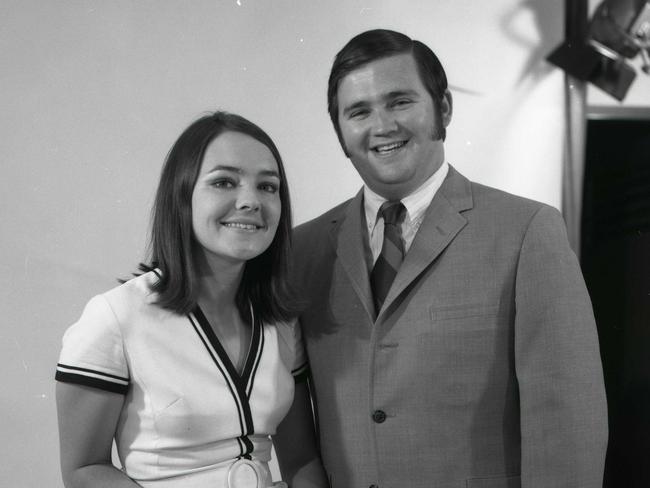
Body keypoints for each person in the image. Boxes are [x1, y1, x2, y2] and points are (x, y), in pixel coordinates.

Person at [288, 29, 608, 487]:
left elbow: (567, 424)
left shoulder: (527, 231)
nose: (382, 126)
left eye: (400, 101)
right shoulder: (304, 250)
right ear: (340, 131)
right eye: (359, 111)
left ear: (444, 109)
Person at [55, 111, 327, 488]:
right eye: (224, 182)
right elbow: (83, 471)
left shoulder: (280, 321)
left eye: (268, 186)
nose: (250, 201)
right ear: (182, 196)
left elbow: (302, 460)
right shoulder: (115, 316)